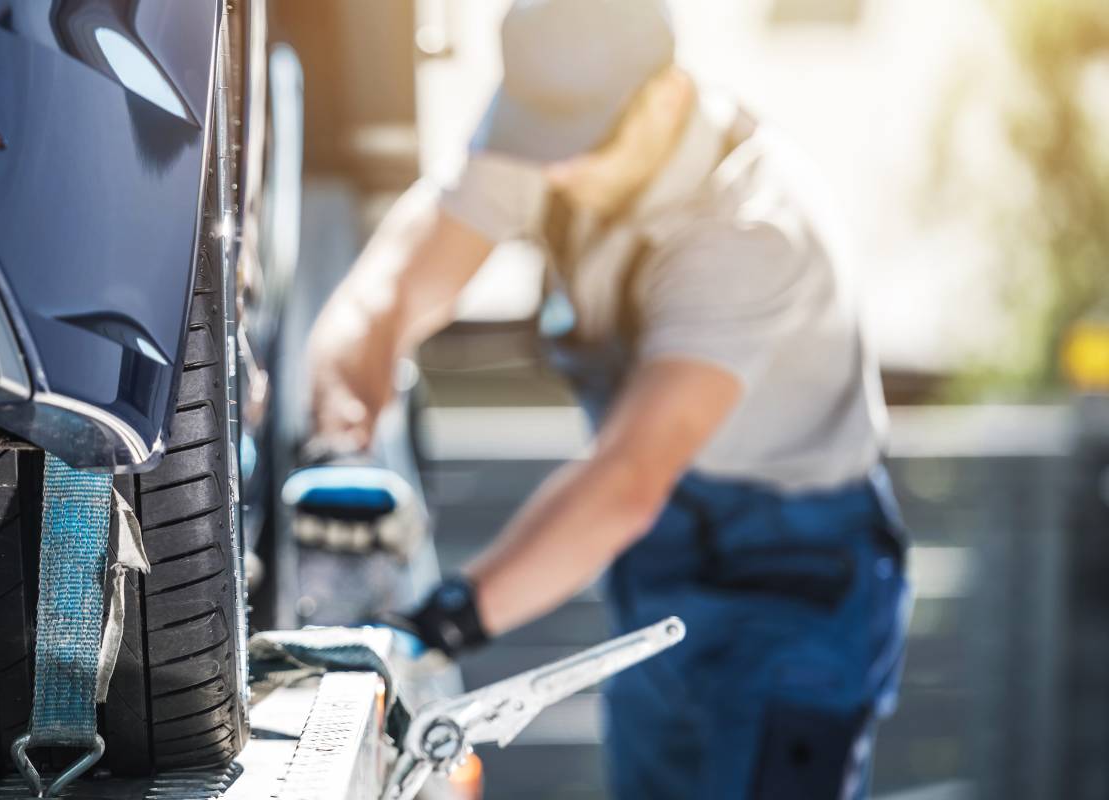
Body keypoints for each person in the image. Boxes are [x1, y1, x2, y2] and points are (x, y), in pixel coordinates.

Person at [302, 0, 912, 797]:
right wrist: (339, 423)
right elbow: (390, 291)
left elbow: (628, 479)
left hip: (792, 577)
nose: (551, 171)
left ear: (665, 97)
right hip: (660, 559)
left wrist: (436, 625)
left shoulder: (753, 228)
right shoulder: (548, 128)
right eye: (536, 142)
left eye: (576, 147)